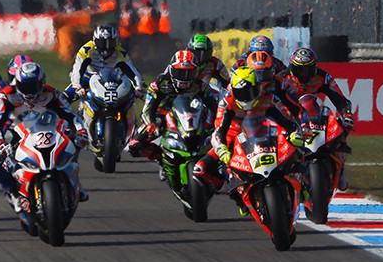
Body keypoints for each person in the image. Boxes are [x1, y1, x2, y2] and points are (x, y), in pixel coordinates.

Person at [0, 62, 89, 236]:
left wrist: (81, 131)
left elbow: (70, 115)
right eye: (24, 86)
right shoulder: (7, 96)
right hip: (11, 134)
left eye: (33, 86)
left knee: (74, 140)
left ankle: (74, 180)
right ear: (17, 84)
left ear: (41, 83)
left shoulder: (51, 93)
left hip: (46, 130)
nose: (29, 90)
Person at [193, 66, 304, 215]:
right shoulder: (226, 102)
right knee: (200, 169)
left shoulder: (269, 97)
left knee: (299, 147)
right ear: (233, 91)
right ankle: (237, 195)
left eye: (251, 91)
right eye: (242, 93)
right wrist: (221, 148)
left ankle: (302, 183)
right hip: (233, 137)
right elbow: (219, 130)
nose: (247, 96)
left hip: (264, 131)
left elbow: (289, 121)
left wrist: (294, 133)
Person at [127, 49, 218, 178]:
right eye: (180, 72)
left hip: (193, 115)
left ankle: (217, 165)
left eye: (189, 72)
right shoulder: (159, 83)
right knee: (134, 146)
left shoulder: (200, 86)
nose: (185, 77)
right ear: (171, 70)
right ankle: (162, 158)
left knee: (220, 133)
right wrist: (151, 123)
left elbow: (215, 106)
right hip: (166, 114)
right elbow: (148, 108)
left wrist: (220, 122)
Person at [276, 47, 355, 190]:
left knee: (341, 127)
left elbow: (339, 98)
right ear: (292, 68)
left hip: (313, 113)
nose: (304, 74)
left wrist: (346, 114)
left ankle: (340, 167)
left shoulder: (323, 77)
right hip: (291, 117)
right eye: (300, 70)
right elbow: (272, 101)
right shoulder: (282, 78)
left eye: (309, 69)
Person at [68, 24, 143, 101]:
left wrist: (139, 87)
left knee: (128, 98)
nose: (106, 49)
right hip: (89, 75)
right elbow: (78, 68)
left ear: (116, 42)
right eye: (102, 43)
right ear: (95, 41)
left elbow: (132, 70)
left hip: (112, 78)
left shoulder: (120, 52)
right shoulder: (86, 50)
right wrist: (77, 86)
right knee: (66, 97)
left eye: (110, 43)